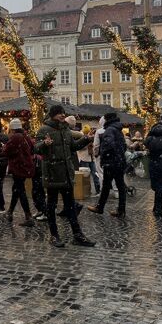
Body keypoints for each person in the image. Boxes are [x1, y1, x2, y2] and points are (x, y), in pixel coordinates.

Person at [35, 104, 95, 248]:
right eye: (59, 113)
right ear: (52, 114)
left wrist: (86, 139)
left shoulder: (66, 130)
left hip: (67, 173)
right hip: (53, 173)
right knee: (51, 205)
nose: (62, 115)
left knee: (70, 206)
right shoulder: (44, 129)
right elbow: (35, 148)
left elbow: (73, 147)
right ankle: (54, 235)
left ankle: (77, 235)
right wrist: (44, 143)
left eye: (63, 113)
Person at [87, 112, 128, 218]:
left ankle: (100, 208)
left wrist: (104, 156)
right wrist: (119, 155)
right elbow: (124, 145)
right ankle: (121, 210)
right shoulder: (118, 129)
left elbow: (108, 145)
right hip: (119, 161)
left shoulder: (109, 130)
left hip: (111, 162)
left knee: (106, 186)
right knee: (120, 186)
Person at [3, 118, 35, 226]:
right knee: (16, 189)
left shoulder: (16, 137)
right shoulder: (25, 136)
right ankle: (10, 212)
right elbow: (32, 148)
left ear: (12, 128)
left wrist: (3, 148)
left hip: (19, 167)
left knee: (20, 191)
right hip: (25, 166)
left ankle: (28, 216)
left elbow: (7, 151)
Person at [79, 125, 101, 196]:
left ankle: (98, 190)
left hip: (91, 158)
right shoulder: (80, 137)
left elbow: (95, 146)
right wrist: (87, 144)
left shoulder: (92, 137)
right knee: (86, 176)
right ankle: (86, 191)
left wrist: (93, 143)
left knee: (95, 175)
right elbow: (78, 147)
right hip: (84, 159)